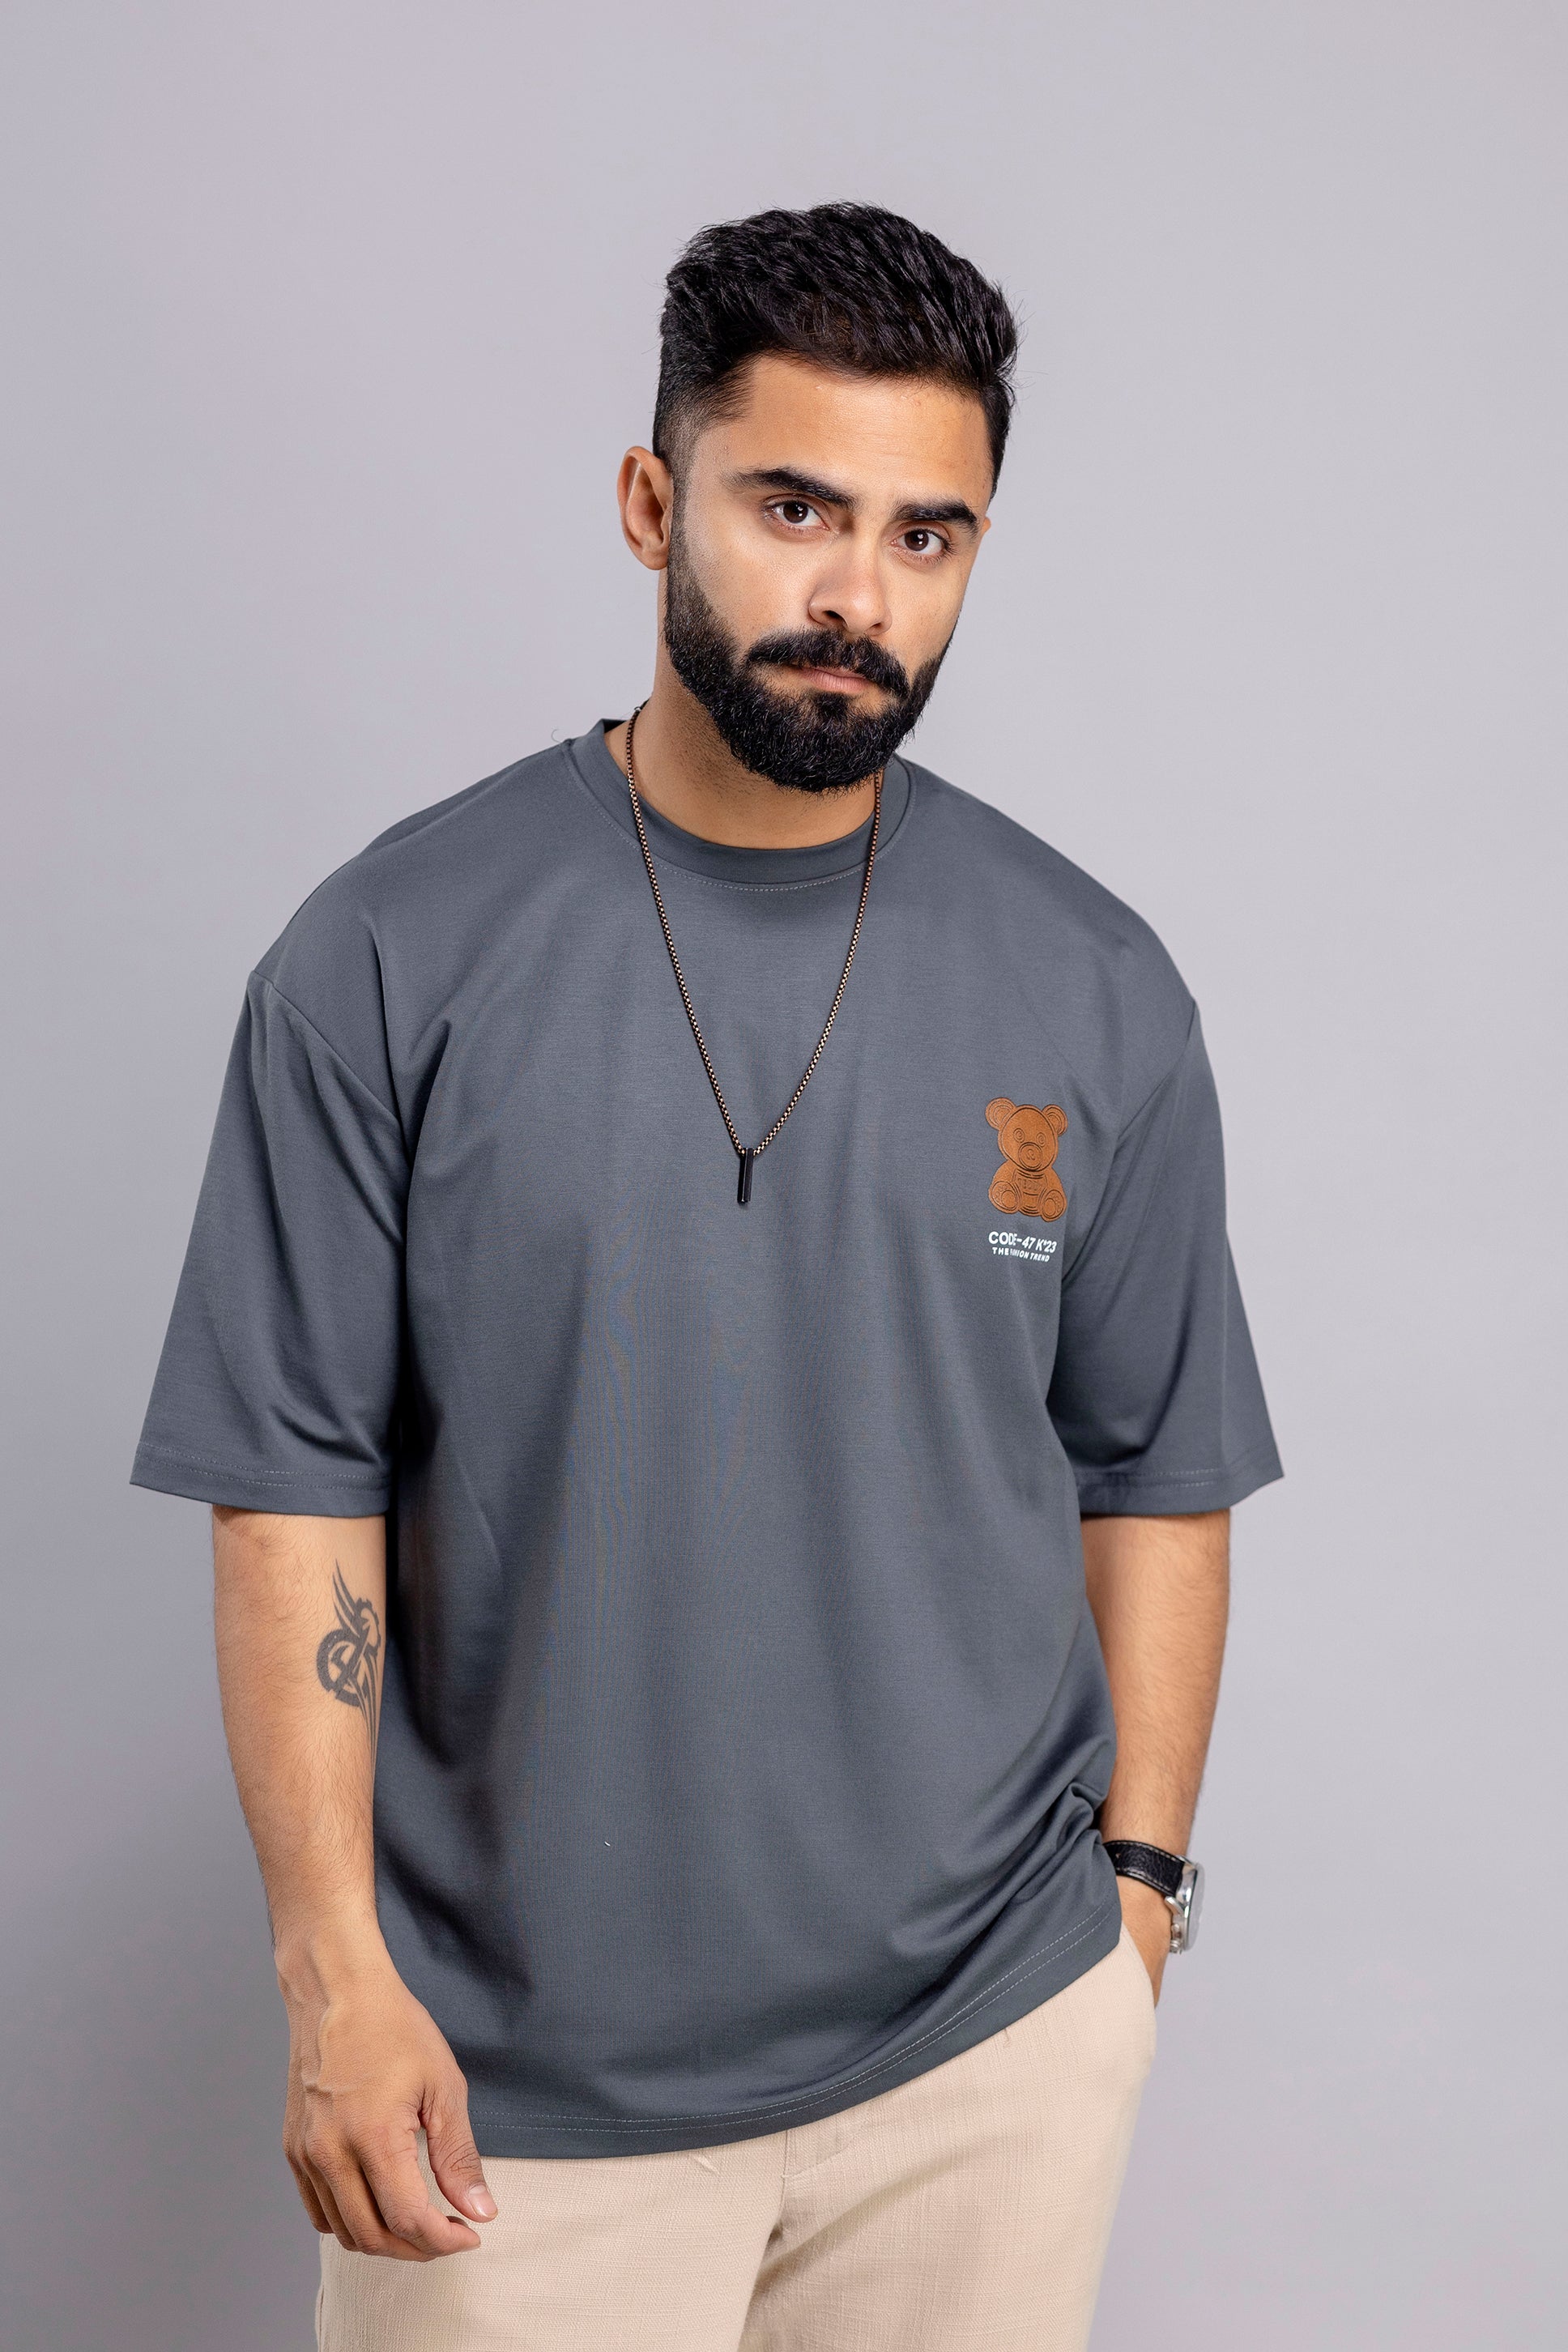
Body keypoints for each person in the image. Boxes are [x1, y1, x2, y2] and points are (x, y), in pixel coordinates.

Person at [133, 201, 1282, 2351]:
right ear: (655, 505)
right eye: (795, 508)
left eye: (930, 536)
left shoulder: (1096, 983)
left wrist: (1133, 1911)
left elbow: (1158, 1473)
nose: (860, 595)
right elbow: (293, 1499)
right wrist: (334, 1978)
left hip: (987, 2061)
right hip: (508, 2094)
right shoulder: (387, 959)